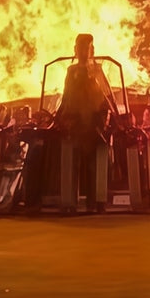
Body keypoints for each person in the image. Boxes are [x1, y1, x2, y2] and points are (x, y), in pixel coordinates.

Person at [54, 33, 115, 213]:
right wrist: (58, 117)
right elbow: (66, 96)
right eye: (79, 47)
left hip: (95, 123)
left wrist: (108, 119)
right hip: (75, 122)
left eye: (86, 47)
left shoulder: (98, 70)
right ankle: (69, 202)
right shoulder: (71, 71)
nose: (82, 51)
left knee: (95, 164)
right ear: (75, 49)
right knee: (71, 162)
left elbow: (107, 95)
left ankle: (97, 201)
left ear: (92, 50)